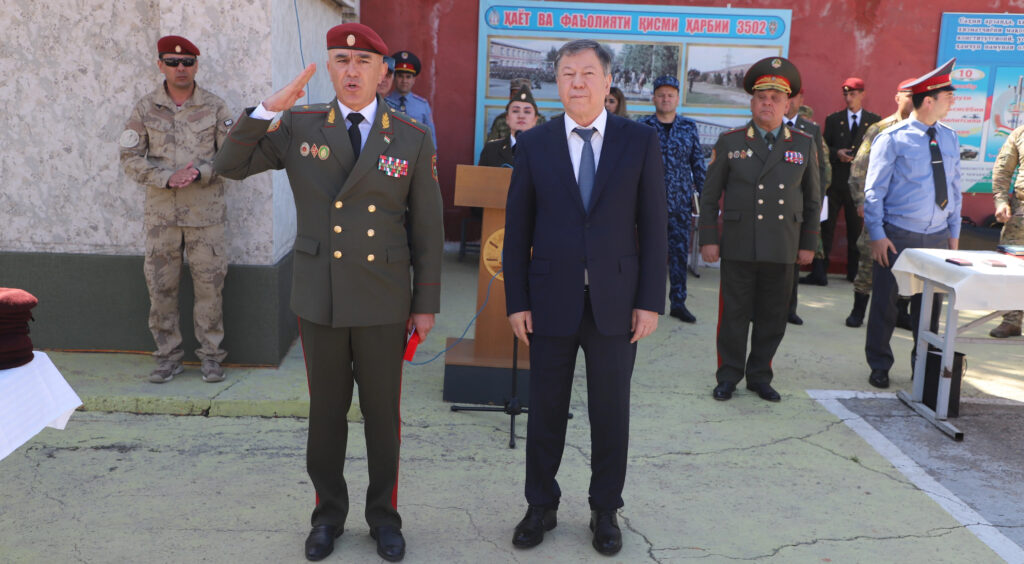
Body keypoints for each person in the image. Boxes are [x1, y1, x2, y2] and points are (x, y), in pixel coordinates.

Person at [213, 23, 444, 562]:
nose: (352, 70)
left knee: (382, 417)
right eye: (341, 60)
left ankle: (384, 518)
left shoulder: (410, 135)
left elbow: (427, 228)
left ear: (383, 73)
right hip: (322, 295)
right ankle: (327, 517)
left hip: (384, 297)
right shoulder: (300, 124)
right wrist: (266, 110)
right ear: (330, 68)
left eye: (363, 62)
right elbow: (229, 166)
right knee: (326, 415)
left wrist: (425, 303)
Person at [503, 39, 667, 556]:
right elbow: (517, 229)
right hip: (549, 301)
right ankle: (540, 505)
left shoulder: (638, 141)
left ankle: (605, 509)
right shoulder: (535, 143)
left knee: (610, 413)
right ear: (557, 82)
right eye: (567, 73)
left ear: (607, 81)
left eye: (587, 73)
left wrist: (650, 301)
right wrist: (516, 301)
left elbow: (654, 226)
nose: (577, 82)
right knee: (546, 410)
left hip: (617, 304)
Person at [699, 57, 821, 403]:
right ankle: (728, 376)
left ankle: (760, 376)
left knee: (773, 317)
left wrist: (809, 243)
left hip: (783, 245)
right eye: (761, 97)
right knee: (733, 316)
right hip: (739, 243)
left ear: (788, 104)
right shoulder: (730, 141)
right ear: (752, 103)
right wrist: (709, 238)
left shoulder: (803, 143)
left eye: (775, 98)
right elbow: (709, 197)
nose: (767, 103)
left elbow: (813, 199)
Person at [120, 35, 233, 384]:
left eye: (187, 62)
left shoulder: (215, 107)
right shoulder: (146, 108)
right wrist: (166, 177)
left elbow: (233, 158)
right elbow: (129, 157)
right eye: (172, 62)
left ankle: (211, 357)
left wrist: (201, 172)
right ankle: (168, 358)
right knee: (161, 289)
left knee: (210, 289)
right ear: (160, 65)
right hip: (162, 218)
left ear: (196, 66)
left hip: (205, 217)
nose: (180, 67)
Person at [863, 59, 962, 389]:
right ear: (929, 100)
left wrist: (954, 234)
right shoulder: (892, 138)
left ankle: (922, 367)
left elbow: (954, 189)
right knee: (885, 305)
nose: (953, 101)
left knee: (929, 310)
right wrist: (877, 235)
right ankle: (879, 364)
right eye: (949, 96)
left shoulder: (950, 138)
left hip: (936, 237)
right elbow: (874, 191)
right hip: (897, 236)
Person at [844, 78, 916, 329]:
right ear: (897, 98)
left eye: (916, 95)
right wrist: (861, 200)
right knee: (868, 258)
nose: (912, 100)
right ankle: (858, 310)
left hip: (909, 214)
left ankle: (901, 312)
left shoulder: (925, 132)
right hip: (880, 209)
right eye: (908, 95)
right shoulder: (880, 129)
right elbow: (859, 167)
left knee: (907, 264)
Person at [638, 75, 705, 322]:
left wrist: (705, 198)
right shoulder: (642, 126)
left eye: (670, 95)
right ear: (653, 98)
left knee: (678, 255)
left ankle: (678, 302)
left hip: (679, 204)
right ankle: (643, 302)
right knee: (647, 255)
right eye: (661, 95)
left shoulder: (688, 127)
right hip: (648, 204)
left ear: (677, 99)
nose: (665, 99)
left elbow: (697, 163)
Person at [805, 78, 881, 285]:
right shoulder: (834, 119)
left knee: (856, 230)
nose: (849, 98)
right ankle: (820, 271)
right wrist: (837, 153)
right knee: (826, 228)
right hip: (834, 184)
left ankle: (853, 272)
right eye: (846, 94)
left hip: (858, 186)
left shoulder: (874, 121)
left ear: (862, 95)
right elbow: (822, 148)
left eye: (853, 94)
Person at [782, 88, 831, 325]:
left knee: (793, 261)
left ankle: (789, 309)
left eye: (793, 97)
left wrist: (816, 200)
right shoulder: (768, 125)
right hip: (770, 204)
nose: (789, 102)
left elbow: (818, 169)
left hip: (798, 205)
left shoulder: (810, 129)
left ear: (801, 100)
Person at [988, 123, 1024, 337]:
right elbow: (1003, 170)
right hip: (1021, 211)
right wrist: (1001, 201)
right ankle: (1011, 320)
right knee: (1012, 265)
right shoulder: (1020, 133)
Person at [384, 50, 437, 148]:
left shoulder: (422, 105)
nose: (404, 81)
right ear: (394, 78)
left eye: (408, 77)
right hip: (389, 153)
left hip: (416, 154)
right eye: (400, 76)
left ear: (414, 80)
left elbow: (431, 137)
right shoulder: (384, 102)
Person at [479, 88, 539, 167]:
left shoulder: (547, 150)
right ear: (507, 118)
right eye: (515, 111)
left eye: (527, 111)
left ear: (535, 119)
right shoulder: (491, 149)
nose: (521, 116)